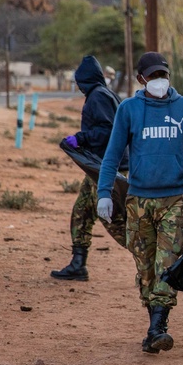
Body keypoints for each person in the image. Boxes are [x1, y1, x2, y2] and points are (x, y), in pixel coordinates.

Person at [97, 52, 183, 355]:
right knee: (146, 267)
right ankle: (154, 328)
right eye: (152, 76)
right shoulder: (129, 109)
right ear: (141, 79)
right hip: (138, 201)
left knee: (168, 263)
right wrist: (103, 194)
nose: (158, 81)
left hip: (174, 200)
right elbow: (112, 155)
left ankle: (158, 326)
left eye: (162, 75)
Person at [51, 55, 127, 281]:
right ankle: (78, 264)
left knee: (113, 220)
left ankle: (153, 256)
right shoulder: (106, 93)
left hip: (108, 169)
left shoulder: (98, 97)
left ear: (85, 80)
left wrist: (80, 138)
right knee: (82, 211)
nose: (77, 86)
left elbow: (108, 132)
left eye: (78, 81)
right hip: (101, 168)